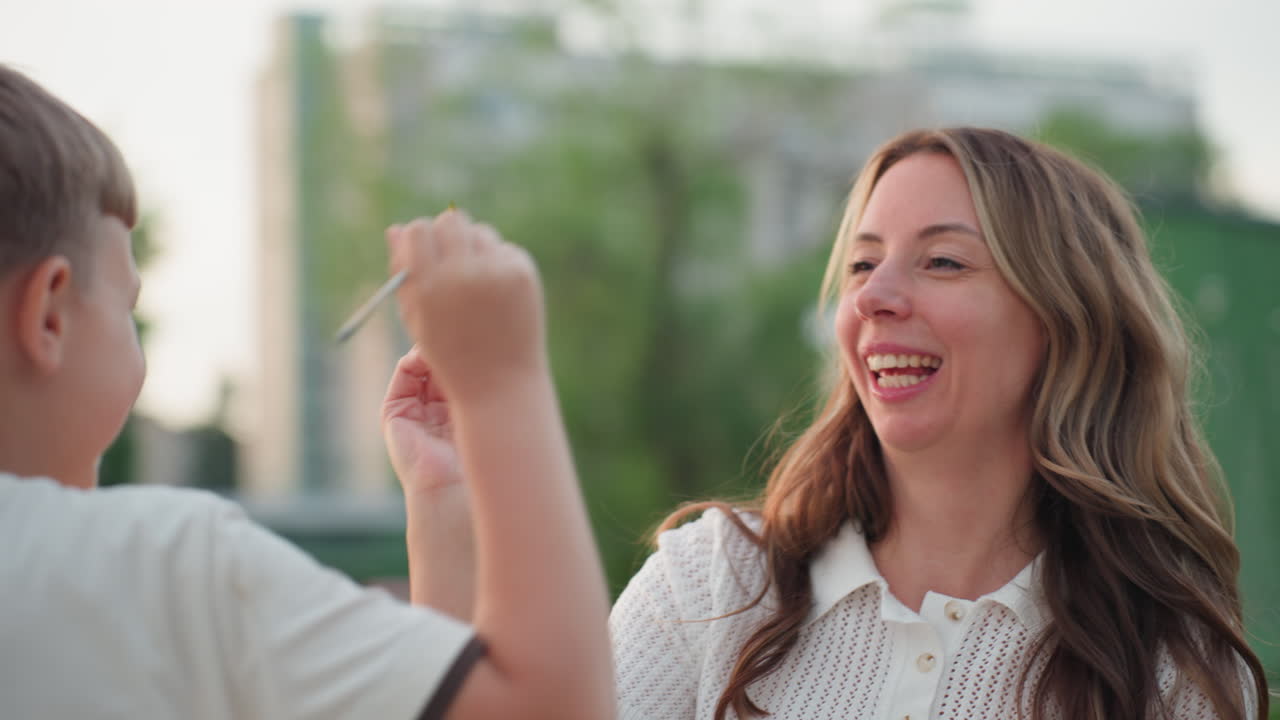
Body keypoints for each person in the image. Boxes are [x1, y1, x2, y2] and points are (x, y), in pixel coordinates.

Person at [0, 63, 613, 720]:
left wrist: (441, 498)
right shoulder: (163, 570)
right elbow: (553, 708)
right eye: (129, 306)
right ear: (50, 316)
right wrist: (500, 382)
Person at [608, 128, 1269, 719]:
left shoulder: (1175, 672)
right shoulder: (709, 584)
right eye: (863, 264)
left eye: (943, 261)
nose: (871, 296)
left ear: (1066, 322)